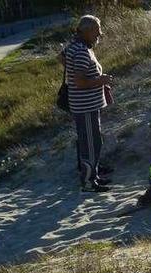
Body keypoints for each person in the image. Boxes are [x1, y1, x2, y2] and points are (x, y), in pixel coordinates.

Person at [62, 15, 113, 192]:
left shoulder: (74, 47)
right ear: (87, 31)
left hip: (82, 105)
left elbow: (61, 58)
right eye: (97, 31)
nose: (99, 34)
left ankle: (94, 176)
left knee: (90, 142)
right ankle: (89, 182)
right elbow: (80, 82)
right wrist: (101, 80)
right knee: (91, 144)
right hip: (86, 106)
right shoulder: (82, 51)